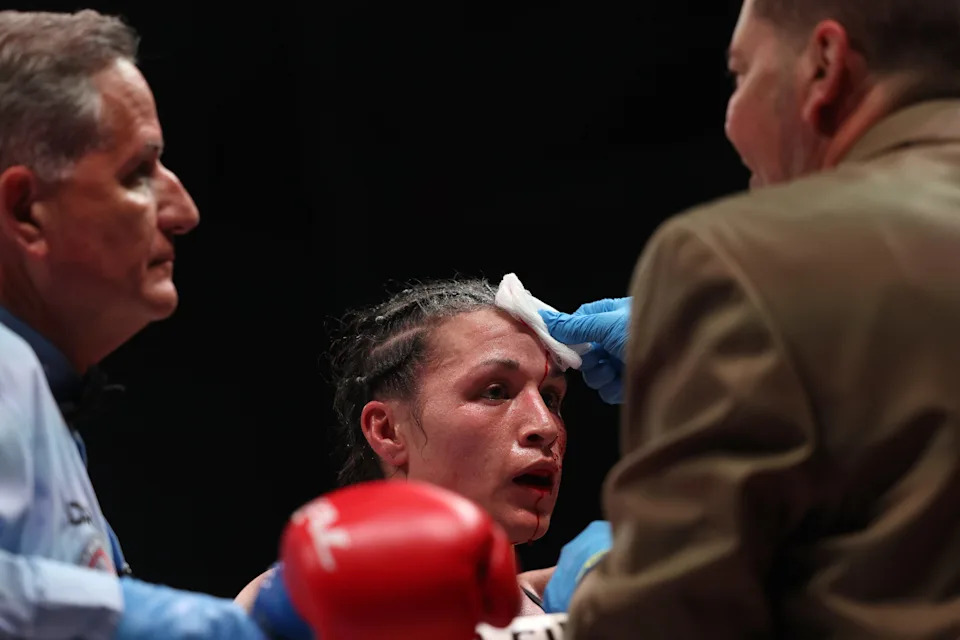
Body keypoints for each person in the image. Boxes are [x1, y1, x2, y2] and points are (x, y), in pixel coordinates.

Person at [537, 0, 960, 636]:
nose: (730, 121)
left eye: (740, 75)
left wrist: (602, 578)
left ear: (825, 64)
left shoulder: (732, 257)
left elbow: (670, 621)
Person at [237, 278, 570, 619]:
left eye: (551, 398)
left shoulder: (571, 600)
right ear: (387, 430)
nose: (544, 427)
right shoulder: (299, 604)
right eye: (496, 391)